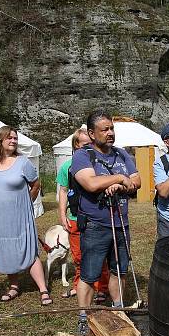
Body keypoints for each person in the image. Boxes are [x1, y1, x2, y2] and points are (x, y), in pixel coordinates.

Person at [71, 111, 140, 334]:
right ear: (91, 133)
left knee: (119, 270)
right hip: (95, 224)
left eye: (111, 128)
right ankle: (84, 317)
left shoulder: (121, 154)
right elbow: (90, 183)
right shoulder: (83, 155)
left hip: (121, 222)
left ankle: (118, 310)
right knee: (89, 274)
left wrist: (119, 186)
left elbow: (137, 180)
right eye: (105, 129)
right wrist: (120, 178)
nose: (110, 133)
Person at [0, 126, 51, 306]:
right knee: (7, 248)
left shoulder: (22, 162)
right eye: (10, 138)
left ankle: (43, 289)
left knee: (27, 248)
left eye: (15, 138)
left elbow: (36, 185)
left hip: (18, 215)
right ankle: (14, 286)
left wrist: (26, 203)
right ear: (0, 140)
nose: (13, 141)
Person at [56, 127, 109, 300]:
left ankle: (102, 287)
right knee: (79, 256)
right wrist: (62, 214)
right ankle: (79, 286)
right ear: (76, 146)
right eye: (84, 145)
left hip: (96, 216)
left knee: (99, 254)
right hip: (75, 217)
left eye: (90, 144)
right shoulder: (67, 167)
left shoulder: (99, 164)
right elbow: (63, 191)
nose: (88, 148)